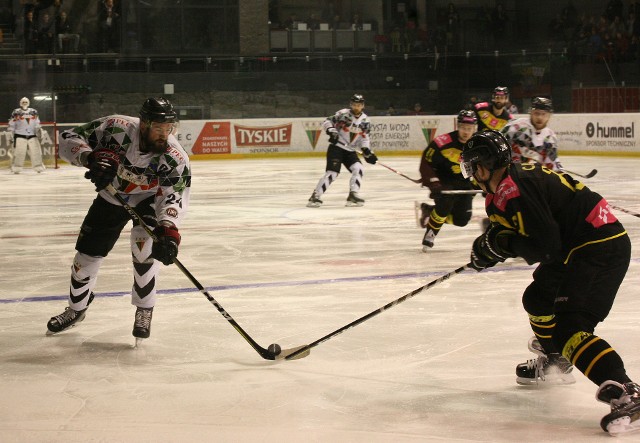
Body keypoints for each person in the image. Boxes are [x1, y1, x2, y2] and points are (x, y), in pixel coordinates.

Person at [460, 130, 639, 435]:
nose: (470, 173)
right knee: (538, 299)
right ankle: (556, 359)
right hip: (577, 246)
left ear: (482, 166)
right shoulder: (505, 189)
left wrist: (499, 246)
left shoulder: (516, 188)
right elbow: (520, 234)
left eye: (471, 166)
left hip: (598, 247)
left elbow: (543, 247)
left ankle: (628, 391)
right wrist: (491, 246)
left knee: (571, 326)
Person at [46, 97, 191, 341]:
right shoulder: (116, 127)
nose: (164, 134)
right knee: (86, 255)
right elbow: (69, 137)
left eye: (168, 129)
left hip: (148, 199)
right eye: (158, 128)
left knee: (145, 250)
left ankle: (145, 308)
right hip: (112, 196)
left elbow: (172, 196)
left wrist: (169, 231)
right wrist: (89, 158)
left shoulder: (174, 157)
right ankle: (76, 308)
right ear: (143, 124)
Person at [416, 110, 478, 251]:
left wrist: (481, 185)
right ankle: (430, 235)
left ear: (475, 128)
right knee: (445, 205)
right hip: (444, 181)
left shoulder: (479, 145)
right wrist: (433, 183)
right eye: (463, 127)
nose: (466, 132)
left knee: (462, 220)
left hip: (464, 182)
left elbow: (484, 168)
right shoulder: (442, 143)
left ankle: (431, 211)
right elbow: (426, 162)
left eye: (469, 129)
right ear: (457, 125)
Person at [307, 94, 377, 208]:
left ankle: (353, 195)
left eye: (359, 105)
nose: (356, 107)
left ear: (363, 106)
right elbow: (327, 121)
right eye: (354, 104)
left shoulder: (365, 120)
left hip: (350, 151)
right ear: (351, 104)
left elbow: (364, 137)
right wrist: (332, 131)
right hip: (336, 148)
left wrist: (367, 150)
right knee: (333, 173)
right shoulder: (343, 113)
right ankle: (315, 196)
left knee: (358, 169)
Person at [501, 97, 563, 172]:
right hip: (507, 173)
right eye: (536, 113)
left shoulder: (550, 137)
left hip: (530, 178)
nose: (540, 117)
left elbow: (552, 163)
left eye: (544, 114)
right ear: (531, 112)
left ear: (549, 116)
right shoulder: (515, 127)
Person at [8, 97, 45, 174]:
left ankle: (38, 167)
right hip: (19, 135)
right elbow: (12, 123)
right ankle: (16, 168)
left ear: (28, 103)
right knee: (19, 153)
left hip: (32, 135)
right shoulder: (16, 112)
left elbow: (37, 122)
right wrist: (11, 133)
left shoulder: (33, 111)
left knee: (36, 152)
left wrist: (38, 130)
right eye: (23, 102)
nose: (24, 103)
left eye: (26, 102)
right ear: (20, 103)